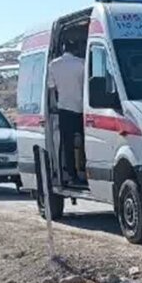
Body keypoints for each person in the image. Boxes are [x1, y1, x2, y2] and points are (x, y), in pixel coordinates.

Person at [47, 38, 84, 185]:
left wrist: (54, 105)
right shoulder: (82, 63)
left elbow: (51, 87)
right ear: (75, 49)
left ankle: (71, 174)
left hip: (64, 109)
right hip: (83, 109)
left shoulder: (54, 65)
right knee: (84, 142)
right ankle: (84, 169)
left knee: (67, 143)